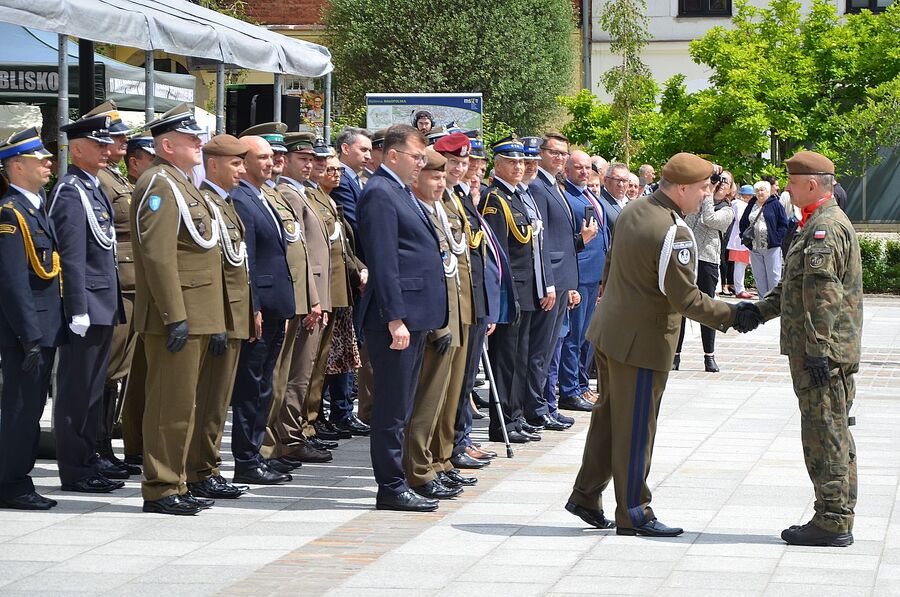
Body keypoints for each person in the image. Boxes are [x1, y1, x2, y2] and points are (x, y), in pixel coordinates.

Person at [566, 152, 748, 537]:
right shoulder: (673, 229)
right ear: (682, 188)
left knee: (608, 420)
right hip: (642, 342)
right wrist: (735, 316)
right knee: (635, 429)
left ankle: (586, 495)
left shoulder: (634, 208)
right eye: (702, 189)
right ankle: (634, 511)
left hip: (610, 331)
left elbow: (612, 266)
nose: (705, 196)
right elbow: (685, 298)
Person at [743, 151, 862, 547]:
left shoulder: (825, 229)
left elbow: (824, 297)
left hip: (821, 355)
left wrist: (816, 352)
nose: (786, 188)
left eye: (791, 182)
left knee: (824, 433)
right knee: (834, 431)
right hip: (821, 351)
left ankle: (832, 520)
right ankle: (836, 512)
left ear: (811, 184)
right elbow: (794, 289)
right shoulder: (815, 223)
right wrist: (754, 313)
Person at [131, 103, 226, 515]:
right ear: (167, 145)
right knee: (170, 405)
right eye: (191, 140)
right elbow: (158, 255)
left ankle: (178, 481)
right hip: (178, 312)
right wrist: (174, 315)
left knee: (185, 404)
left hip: (197, 310)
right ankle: (162, 487)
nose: (199, 144)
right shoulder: (160, 184)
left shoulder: (179, 181)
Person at [357, 124, 448, 512]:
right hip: (397, 318)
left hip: (416, 313)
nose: (421, 164)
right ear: (393, 155)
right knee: (392, 408)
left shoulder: (399, 191)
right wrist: (395, 317)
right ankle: (391, 486)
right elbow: (383, 262)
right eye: (417, 157)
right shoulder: (379, 193)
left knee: (404, 404)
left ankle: (404, 479)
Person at [50, 114, 126, 494]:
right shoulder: (70, 190)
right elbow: (71, 255)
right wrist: (76, 306)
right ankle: (75, 470)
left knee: (94, 388)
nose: (106, 149)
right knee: (76, 390)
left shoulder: (92, 187)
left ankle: (88, 458)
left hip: (103, 302)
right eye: (97, 145)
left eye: (105, 144)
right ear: (77, 149)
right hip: (87, 305)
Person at [0, 129, 65, 510]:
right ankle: (12, 483)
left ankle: (17, 479)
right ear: (16, 166)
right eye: (39, 160)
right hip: (27, 334)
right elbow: (12, 284)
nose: (48, 164)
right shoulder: (10, 214)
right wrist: (29, 338)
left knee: (30, 408)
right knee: (22, 411)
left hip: (42, 329)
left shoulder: (34, 207)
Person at [228, 135, 297, 485]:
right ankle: (246, 458)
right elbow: (248, 261)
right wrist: (253, 306)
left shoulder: (264, 195)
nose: (270, 163)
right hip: (261, 307)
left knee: (264, 385)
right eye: (263, 157)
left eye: (272, 157)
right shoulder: (240, 198)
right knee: (250, 386)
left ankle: (257, 453)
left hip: (276, 305)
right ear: (245, 160)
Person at [403, 148, 465, 502]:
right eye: (433, 176)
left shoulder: (437, 210)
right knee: (424, 401)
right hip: (431, 320)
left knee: (440, 398)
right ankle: (419, 469)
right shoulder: (417, 211)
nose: (440, 182)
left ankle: (430, 464)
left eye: (443, 177)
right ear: (417, 176)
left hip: (449, 315)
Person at [269, 132, 335, 464]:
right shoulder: (288, 195)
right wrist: (311, 299)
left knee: (305, 370)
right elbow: (301, 253)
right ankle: (288, 437)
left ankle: (294, 433)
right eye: (302, 159)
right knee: (295, 372)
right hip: (304, 297)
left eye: (311, 159)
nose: (309, 165)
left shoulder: (303, 193)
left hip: (315, 293)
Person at [86, 102, 141, 480]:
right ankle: (94, 447)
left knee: (117, 371)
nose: (121, 142)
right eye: (115, 136)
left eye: (121, 136)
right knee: (105, 371)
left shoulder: (117, 179)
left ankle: (105, 445)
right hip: (116, 284)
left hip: (130, 284)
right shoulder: (102, 182)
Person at [528, 133, 596, 429]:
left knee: (554, 347)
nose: (559, 158)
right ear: (541, 153)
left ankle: (546, 404)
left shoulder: (555, 185)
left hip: (564, 279)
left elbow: (561, 241)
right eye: (554, 153)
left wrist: (580, 242)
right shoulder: (538, 186)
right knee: (545, 350)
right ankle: (538, 406)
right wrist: (552, 283)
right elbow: (541, 242)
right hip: (550, 282)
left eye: (562, 153)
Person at [480, 136, 542, 444]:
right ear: (498, 165)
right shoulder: (495, 200)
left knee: (520, 358)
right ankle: (501, 420)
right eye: (511, 162)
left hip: (526, 289)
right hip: (511, 292)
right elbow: (499, 254)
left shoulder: (516, 197)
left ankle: (516, 416)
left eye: (521, 162)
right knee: (505, 360)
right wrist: (507, 296)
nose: (518, 167)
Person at [559, 150, 610, 413]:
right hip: (578, 275)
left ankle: (581, 384)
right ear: (566, 170)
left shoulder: (589, 194)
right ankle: (569, 389)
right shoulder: (567, 197)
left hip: (594, 275)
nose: (583, 171)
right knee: (574, 336)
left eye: (587, 167)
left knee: (586, 335)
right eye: (577, 167)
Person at [673, 171, 734, 373]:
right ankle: (675, 355)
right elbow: (686, 218)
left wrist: (708, 196)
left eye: (725, 181)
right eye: (717, 180)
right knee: (679, 307)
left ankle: (709, 355)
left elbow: (709, 220)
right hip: (687, 257)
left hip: (707, 261)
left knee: (706, 309)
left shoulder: (727, 210)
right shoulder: (699, 200)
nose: (720, 184)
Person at [119, 135, 156, 470]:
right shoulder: (133, 188)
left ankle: (134, 445)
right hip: (127, 288)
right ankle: (125, 445)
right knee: (127, 372)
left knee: (139, 371)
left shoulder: (146, 187)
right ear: (135, 162)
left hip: (141, 289)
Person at [740, 180, 788, 298]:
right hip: (755, 247)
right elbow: (743, 222)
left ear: (768, 191)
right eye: (757, 190)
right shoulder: (751, 204)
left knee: (773, 275)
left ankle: (774, 301)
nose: (760, 193)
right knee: (759, 276)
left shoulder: (775, 204)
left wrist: (777, 238)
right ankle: (762, 301)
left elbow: (783, 224)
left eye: (762, 190)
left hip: (771, 246)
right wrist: (745, 237)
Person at [331, 126, 372, 241]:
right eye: (363, 150)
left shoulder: (356, 179)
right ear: (345, 149)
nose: (368, 156)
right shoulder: (340, 180)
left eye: (370, 151)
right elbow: (356, 223)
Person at [726, 184, 754, 299]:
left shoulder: (736, 204)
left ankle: (740, 288)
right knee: (740, 265)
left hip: (739, 239)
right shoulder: (741, 205)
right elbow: (743, 220)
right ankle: (740, 289)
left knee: (740, 264)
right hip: (740, 239)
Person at [598, 162, 629, 235]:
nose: (621, 184)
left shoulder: (631, 203)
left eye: (625, 181)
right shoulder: (599, 203)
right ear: (605, 180)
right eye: (617, 179)